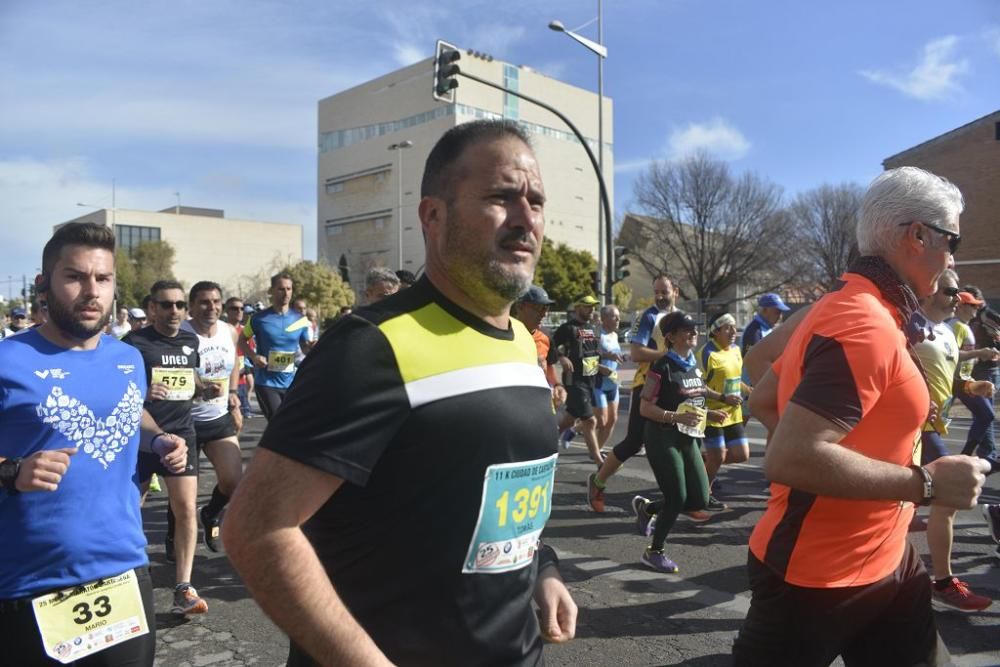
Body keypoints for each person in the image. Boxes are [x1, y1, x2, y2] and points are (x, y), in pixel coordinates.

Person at [223, 119, 576, 666]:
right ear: (433, 216)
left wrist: (542, 569)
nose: (526, 219)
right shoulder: (370, 346)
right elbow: (256, 528)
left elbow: (492, 502)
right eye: (501, 198)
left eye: (536, 201)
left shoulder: (523, 346)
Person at [732, 166, 989, 666]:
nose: (953, 258)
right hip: (816, 576)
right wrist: (927, 486)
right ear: (917, 236)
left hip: (889, 560)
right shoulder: (863, 322)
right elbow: (791, 457)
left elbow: (766, 400)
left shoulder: (856, 306)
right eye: (952, 240)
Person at [0, 222, 187, 665]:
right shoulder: (8, 361)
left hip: (123, 571)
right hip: (31, 581)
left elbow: (127, 409)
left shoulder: (127, 358)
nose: (91, 291)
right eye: (75, 277)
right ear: (44, 284)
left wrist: (157, 438)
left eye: (102, 279)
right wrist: (13, 471)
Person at [125, 280, 214, 617]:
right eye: (166, 305)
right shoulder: (134, 342)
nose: (174, 311)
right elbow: (117, 382)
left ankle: (184, 587)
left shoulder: (192, 341)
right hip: (143, 437)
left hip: (182, 435)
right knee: (132, 508)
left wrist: (204, 388)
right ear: (152, 308)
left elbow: (188, 380)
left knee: (186, 509)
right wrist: (144, 391)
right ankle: (127, 573)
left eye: (179, 305)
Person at [910, 270, 994, 611]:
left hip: (932, 426)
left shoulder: (946, 332)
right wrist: (914, 397)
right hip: (914, 427)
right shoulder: (906, 325)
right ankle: (942, 582)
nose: (957, 298)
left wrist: (973, 387)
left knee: (899, 504)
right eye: (950, 291)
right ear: (928, 290)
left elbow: (955, 381)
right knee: (946, 500)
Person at [633, 312, 726, 572]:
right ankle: (654, 551)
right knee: (676, 497)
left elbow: (695, 395)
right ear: (671, 337)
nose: (693, 333)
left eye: (694, 329)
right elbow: (644, 408)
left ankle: (648, 508)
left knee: (700, 499)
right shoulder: (661, 366)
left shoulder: (692, 364)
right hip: (663, 436)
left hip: (690, 436)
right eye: (686, 329)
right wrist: (675, 417)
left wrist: (712, 411)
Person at [588, 275, 677, 513]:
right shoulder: (648, 317)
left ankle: (689, 497)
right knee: (633, 442)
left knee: (677, 440)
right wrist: (666, 356)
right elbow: (636, 353)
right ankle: (598, 483)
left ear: (675, 291)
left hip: (672, 388)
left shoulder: (680, 318)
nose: (659, 296)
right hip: (645, 385)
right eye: (656, 291)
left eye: (664, 291)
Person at [181, 281, 244, 553]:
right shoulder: (181, 333)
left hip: (218, 417)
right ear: (192, 306)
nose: (212, 307)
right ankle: (175, 538)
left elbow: (235, 363)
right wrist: (199, 387)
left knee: (233, 482)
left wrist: (233, 394)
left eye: (216, 301)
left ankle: (211, 513)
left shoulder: (229, 332)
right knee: (183, 494)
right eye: (205, 302)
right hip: (184, 419)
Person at [238, 273, 312, 420]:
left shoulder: (300, 320)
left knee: (290, 425)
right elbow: (242, 340)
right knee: (278, 422)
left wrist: (312, 346)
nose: (285, 293)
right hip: (266, 382)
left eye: (289, 289)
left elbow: (305, 347)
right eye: (281, 289)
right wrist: (253, 356)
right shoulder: (258, 319)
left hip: (291, 382)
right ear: (271, 291)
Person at [699, 312, 748, 510]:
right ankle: (704, 494)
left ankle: (703, 462)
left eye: (734, 327)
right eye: (728, 327)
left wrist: (748, 389)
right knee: (718, 456)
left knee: (741, 455)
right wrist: (721, 398)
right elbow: (697, 386)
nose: (733, 331)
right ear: (715, 331)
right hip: (712, 413)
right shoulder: (707, 353)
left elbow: (734, 378)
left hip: (733, 413)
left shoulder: (736, 349)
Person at [552, 295, 605, 465]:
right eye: (587, 306)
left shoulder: (592, 328)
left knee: (569, 420)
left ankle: (546, 443)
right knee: (590, 421)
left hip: (590, 381)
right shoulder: (567, 328)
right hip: (573, 381)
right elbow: (550, 344)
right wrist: (561, 357)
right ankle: (599, 461)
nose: (592, 310)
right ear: (577, 308)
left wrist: (603, 367)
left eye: (593, 307)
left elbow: (594, 354)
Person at [951, 287, 999, 460]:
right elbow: (951, 354)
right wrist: (979, 353)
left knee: (986, 415)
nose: (976, 309)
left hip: (965, 381)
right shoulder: (955, 326)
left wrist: (978, 357)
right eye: (972, 306)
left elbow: (964, 355)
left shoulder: (965, 326)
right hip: (954, 382)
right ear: (961, 306)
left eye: (977, 306)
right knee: (932, 424)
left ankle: (966, 455)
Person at [514, 284, 567, 408]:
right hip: (513, 403)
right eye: (538, 308)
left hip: (540, 402)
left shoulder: (546, 336)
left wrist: (557, 385)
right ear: (520, 307)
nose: (544, 314)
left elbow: (549, 365)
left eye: (546, 308)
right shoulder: (504, 333)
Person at [593, 305, 624, 452]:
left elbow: (616, 359)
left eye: (619, 316)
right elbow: (586, 362)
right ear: (604, 318)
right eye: (614, 316)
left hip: (613, 384)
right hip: (598, 384)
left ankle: (596, 452)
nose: (618, 319)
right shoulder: (594, 333)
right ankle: (575, 429)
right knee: (601, 421)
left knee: (612, 420)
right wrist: (605, 366)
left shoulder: (615, 335)